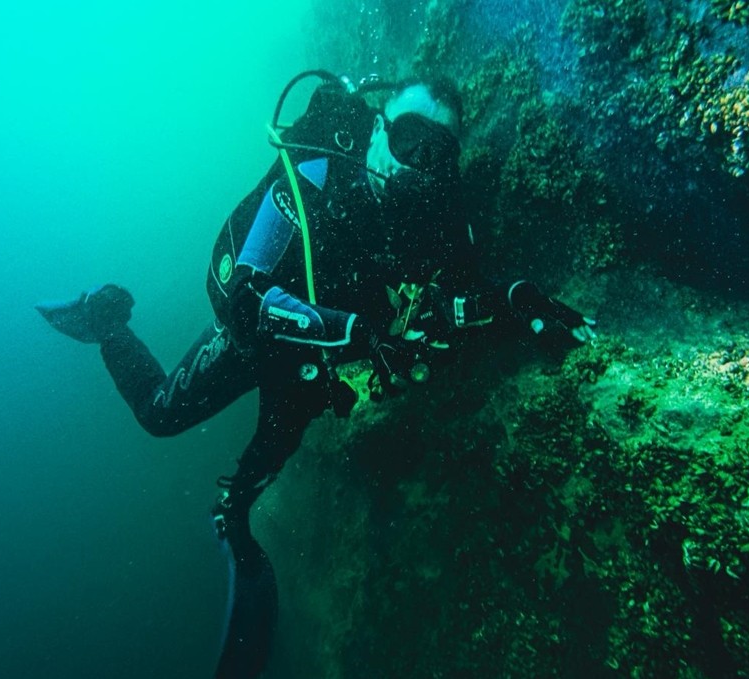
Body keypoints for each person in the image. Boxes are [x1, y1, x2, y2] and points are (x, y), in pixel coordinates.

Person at [36, 72, 596, 678]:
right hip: (255, 341)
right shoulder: (315, 170)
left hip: (310, 375)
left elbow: (463, 293)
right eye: (410, 138)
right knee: (160, 417)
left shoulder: (438, 212)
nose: (421, 162)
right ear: (380, 128)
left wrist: (518, 298)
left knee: (254, 477)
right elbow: (249, 293)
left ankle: (234, 522)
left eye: (440, 150)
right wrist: (354, 330)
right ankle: (107, 323)